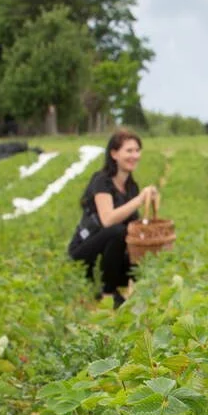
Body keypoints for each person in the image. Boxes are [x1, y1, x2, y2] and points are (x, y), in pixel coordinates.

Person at [67, 129, 159, 308]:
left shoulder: (131, 186)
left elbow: (133, 225)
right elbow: (107, 220)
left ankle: (125, 291)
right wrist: (139, 200)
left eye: (137, 150)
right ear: (114, 154)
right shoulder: (101, 181)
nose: (135, 155)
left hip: (109, 256)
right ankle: (107, 293)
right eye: (129, 151)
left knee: (138, 257)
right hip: (85, 253)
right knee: (116, 230)